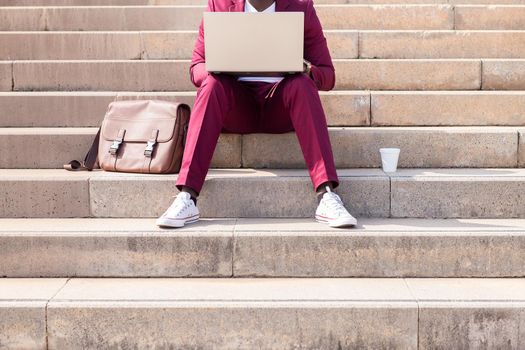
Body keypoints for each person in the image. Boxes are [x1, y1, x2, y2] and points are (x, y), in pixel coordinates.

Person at [156, 0, 357, 228]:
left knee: (303, 84)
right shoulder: (219, 5)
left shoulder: (301, 6)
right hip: (236, 105)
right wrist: (214, 69)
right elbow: (196, 67)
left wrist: (308, 70)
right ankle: (187, 196)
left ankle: (327, 194)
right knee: (211, 85)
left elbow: (328, 76)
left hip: (280, 105)